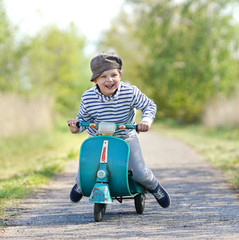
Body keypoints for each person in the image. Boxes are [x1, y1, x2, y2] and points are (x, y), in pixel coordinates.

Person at [67, 52, 170, 208]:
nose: (109, 80)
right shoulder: (88, 98)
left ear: (120, 75)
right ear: (95, 80)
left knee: (139, 171)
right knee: (85, 171)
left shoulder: (129, 92)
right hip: (98, 139)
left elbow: (149, 105)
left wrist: (145, 121)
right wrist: (75, 126)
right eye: (103, 77)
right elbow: (82, 120)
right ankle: (81, 184)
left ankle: (154, 186)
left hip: (125, 137)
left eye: (113, 75)